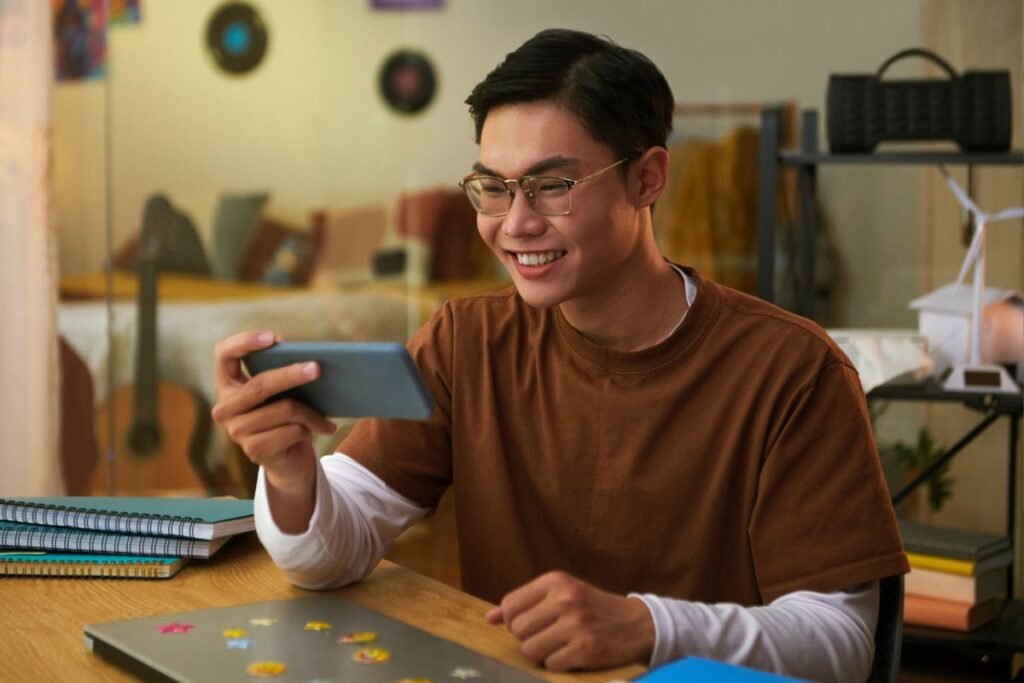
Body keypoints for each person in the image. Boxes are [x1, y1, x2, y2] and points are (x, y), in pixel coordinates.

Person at [212, 28, 907, 681]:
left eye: (553, 186)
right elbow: (329, 558)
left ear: (647, 179)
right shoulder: (467, 341)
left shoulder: (793, 370)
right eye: (493, 188)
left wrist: (649, 626)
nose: (515, 224)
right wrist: (293, 473)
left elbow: (842, 643)